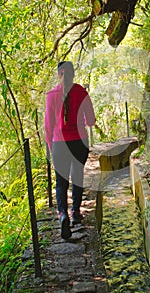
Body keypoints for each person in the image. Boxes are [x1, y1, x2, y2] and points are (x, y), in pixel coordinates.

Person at [45, 61, 96, 239]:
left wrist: (52, 148)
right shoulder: (81, 92)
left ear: (59, 75)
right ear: (72, 74)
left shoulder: (51, 95)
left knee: (60, 183)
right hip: (79, 142)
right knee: (77, 178)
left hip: (59, 144)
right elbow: (91, 121)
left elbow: (48, 127)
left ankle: (62, 215)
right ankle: (75, 213)